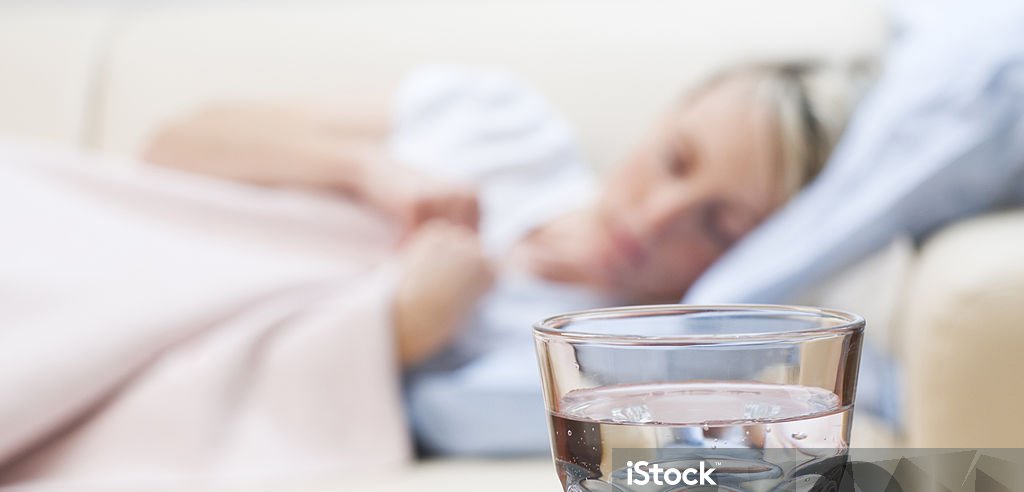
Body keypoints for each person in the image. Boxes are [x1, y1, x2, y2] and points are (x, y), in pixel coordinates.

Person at [142, 62, 868, 455]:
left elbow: (430, 417)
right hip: (147, 239)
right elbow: (176, 142)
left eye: (719, 225)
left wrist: (403, 324)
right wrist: (369, 172)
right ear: (660, 118)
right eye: (675, 159)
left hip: (175, 353)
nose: (655, 218)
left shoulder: (607, 359)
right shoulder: (504, 124)